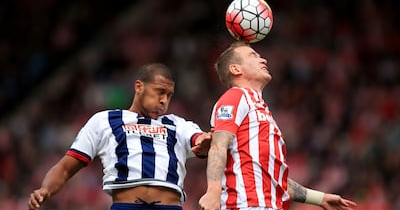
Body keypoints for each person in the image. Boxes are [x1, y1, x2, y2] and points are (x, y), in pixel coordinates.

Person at [28, 63, 211, 210]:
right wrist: (46, 190)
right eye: (160, 91)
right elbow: (66, 167)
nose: (164, 100)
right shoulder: (105, 120)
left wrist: (206, 143)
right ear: (139, 87)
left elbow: (200, 139)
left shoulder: (177, 124)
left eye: (169, 95)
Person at [198, 42, 357, 210]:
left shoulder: (261, 110)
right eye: (253, 56)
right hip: (245, 205)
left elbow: (274, 177)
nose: (263, 60)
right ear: (236, 69)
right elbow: (218, 146)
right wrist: (213, 193)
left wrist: (320, 198)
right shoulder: (235, 97)